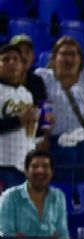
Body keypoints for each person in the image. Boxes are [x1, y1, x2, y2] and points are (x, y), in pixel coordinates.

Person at [35, 36, 84, 183]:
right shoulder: (43, 76)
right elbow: (41, 108)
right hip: (55, 141)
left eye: (73, 54)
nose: (69, 59)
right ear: (54, 58)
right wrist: (43, 138)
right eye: (64, 54)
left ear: (80, 59)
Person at [0, 149, 72, 239]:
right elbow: (6, 237)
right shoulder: (10, 197)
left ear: (52, 172)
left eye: (45, 166)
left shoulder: (59, 196)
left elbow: (63, 236)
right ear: (26, 171)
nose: (40, 171)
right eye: (34, 166)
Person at [0, 43, 37, 188]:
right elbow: (21, 120)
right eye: (6, 59)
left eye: (16, 59)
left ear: (23, 66)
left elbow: (29, 131)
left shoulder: (26, 93)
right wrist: (19, 120)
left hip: (23, 165)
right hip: (2, 164)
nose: (12, 63)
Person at [9, 35, 47, 105]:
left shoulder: (37, 81)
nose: (23, 56)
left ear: (33, 57)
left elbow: (43, 110)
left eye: (27, 52)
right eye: (19, 52)